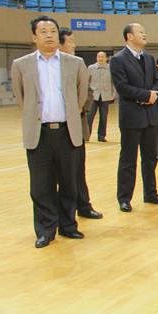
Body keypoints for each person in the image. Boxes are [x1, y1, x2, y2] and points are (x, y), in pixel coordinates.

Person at [12, 16, 89, 248]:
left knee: (69, 182)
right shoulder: (21, 65)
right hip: (39, 133)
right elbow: (21, 97)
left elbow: (81, 95)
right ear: (34, 37)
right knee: (41, 185)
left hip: (67, 131)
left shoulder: (75, 63)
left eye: (53, 31)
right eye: (43, 31)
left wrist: (70, 115)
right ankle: (45, 230)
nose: (49, 35)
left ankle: (68, 226)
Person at [110, 22, 158, 212]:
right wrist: (145, 96)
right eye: (140, 32)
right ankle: (124, 198)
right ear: (129, 36)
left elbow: (157, 81)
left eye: (144, 31)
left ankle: (150, 193)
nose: (145, 34)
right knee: (128, 160)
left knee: (150, 158)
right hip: (131, 117)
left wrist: (152, 94)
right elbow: (122, 86)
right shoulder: (118, 59)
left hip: (150, 115)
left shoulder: (149, 58)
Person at [59, 28, 103, 220]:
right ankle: (61, 213)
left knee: (78, 170)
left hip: (76, 123)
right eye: (71, 41)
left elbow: (88, 91)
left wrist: (78, 108)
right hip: (53, 126)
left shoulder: (78, 64)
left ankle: (83, 206)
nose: (74, 45)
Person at [87, 51, 115, 142]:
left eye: (102, 56)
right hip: (93, 96)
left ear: (106, 58)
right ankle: (86, 135)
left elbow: (113, 82)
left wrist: (113, 94)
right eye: (99, 56)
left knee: (103, 117)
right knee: (89, 116)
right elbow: (87, 81)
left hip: (105, 96)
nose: (100, 58)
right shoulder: (91, 68)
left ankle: (101, 136)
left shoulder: (111, 68)